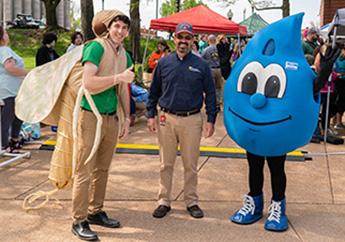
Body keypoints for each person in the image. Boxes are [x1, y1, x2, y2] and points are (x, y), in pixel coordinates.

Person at [70, 11, 134, 241]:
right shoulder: (95, 48)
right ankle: (78, 219)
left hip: (110, 117)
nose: (120, 31)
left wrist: (127, 117)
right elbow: (89, 82)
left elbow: (123, 89)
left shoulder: (124, 54)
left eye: (124, 28)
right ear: (108, 27)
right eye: (117, 26)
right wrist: (119, 78)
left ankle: (95, 211)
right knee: (84, 170)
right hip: (90, 116)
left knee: (103, 169)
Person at [147, 22, 217, 219]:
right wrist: (150, 115)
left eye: (187, 38)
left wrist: (211, 119)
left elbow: (210, 94)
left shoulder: (202, 65)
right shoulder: (163, 63)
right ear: (174, 39)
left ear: (192, 40)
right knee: (165, 164)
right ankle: (163, 200)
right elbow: (153, 93)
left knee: (190, 164)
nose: (183, 41)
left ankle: (191, 201)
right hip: (166, 119)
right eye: (180, 37)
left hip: (192, 120)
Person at [0, 26, 28, 152]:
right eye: (5, 32)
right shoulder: (5, 50)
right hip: (8, 89)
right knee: (8, 117)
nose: (7, 35)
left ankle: (12, 141)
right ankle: (5, 145)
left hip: (8, 88)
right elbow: (10, 68)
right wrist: (29, 73)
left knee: (15, 115)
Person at [202, 34, 224, 110]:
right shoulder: (220, 49)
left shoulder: (206, 50)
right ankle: (217, 104)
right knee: (218, 87)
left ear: (209, 41)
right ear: (215, 40)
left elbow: (202, 60)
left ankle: (211, 104)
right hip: (219, 69)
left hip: (210, 70)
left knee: (210, 87)